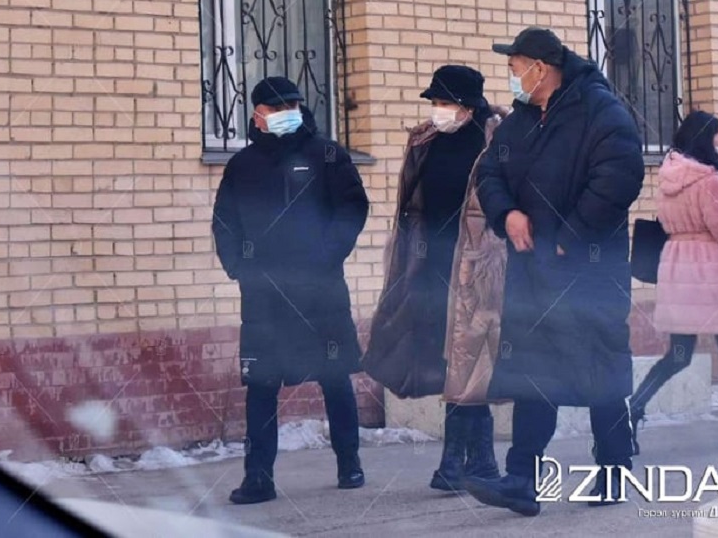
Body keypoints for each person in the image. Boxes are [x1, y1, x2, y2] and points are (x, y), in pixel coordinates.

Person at [461, 27, 645, 517]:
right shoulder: (521, 121)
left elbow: (620, 176)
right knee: (533, 372)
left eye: (514, 68)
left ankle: (614, 469)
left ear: (540, 68)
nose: (511, 77)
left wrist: (570, 236)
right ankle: (522, 479)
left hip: (589, 272)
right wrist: (507, 214)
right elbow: (489, 173)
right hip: (532, 273)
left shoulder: (601, 111)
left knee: (600, 372)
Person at [212, 77, 370, 504]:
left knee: (334, 377)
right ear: (257, 115)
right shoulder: (242, 165)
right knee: (261, 385)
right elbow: (224, 221)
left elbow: (353, 207)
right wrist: (239, 267)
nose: (287, 113)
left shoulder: (327, 155)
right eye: (277, 107)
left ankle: (350, 463)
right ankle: (258, 478)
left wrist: (327, 255)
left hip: (320, 290)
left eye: (292, 106)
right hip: (264, 296)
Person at [363, 66, 509, 491]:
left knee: (471, 362)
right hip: (431, 267)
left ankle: (469, 463)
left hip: (478, 269)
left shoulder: (496, 142)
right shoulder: (426, 142)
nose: (438, 110)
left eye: (445, 102)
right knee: (452, 365)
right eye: (435, 103)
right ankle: (468, 464)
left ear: (468, 106)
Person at [629, 110, 718, 453]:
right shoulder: (710, 181)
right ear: (706, 139)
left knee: (678, 354)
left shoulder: (669, 176)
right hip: (711, 272)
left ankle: (634, 408)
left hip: (678, 268)